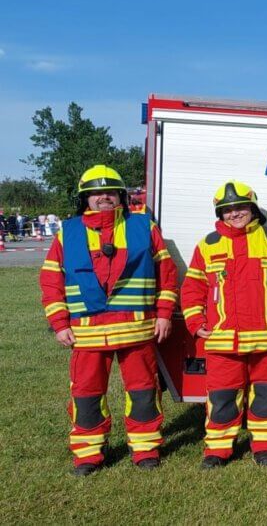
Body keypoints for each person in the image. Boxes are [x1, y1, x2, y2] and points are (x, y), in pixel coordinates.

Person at [38, 165, 178, 475]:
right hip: (87, 334)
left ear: (122, 197)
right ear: (84, 198)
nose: (104, 197)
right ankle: (88, 456)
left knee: (143, 392)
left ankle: (145, 451)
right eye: (96, 193)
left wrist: (165, 314)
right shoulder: (68, 231)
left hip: (136, 329)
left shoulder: (144, 227)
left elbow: (166, 274)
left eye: (110, 192)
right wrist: (60, 323)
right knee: (86, 395)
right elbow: (50, 280)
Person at [180, 181, 267, 468]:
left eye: (240, 208)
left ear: (252, 208)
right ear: (220, 214)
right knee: (221, 398)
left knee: (266, 397)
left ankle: (265, 448)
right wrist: (195, 321)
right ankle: (218, 451)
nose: (235, 214)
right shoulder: (207, 245)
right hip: (224, 342)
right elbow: (192, 287)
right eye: (228, 210)